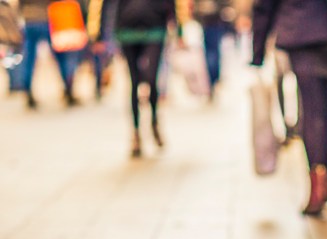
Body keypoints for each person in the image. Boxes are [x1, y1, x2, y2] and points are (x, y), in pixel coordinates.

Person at [251, 0, 327, 215]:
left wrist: (258, 51)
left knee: (312, 109)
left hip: (300, 31)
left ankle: (318, 181)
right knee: (326, 108)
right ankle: (323, 175)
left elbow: (264, 5)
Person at [87, 0, 189, 157]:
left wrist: (180, 29)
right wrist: (97, 33)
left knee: (151, 78)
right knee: (134, 82)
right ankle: (135, 132)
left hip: (155, 30)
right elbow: (100, 4)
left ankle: (154, 120)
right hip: (127, 31)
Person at [18, 0, 83, 108]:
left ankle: (27, 91)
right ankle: (68, 89)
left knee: (29, 59)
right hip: (49, 18)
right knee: (61, 57)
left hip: (29, 20)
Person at [193, 0, 234, 101]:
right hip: (212, 18)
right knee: (213, 53)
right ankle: (213, 82)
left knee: (211, 54)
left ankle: (212, 82)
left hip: (208, 19)